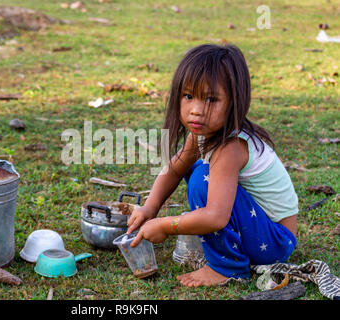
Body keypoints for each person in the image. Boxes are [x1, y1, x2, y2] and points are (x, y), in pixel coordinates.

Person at [127, 43, 298, 288]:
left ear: (234, 102)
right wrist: (149, 209)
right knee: (194, 170)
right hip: (260, 228)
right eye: (188, 96)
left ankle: (227, 267)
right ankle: (226, 247)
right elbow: (174, 168)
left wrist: (166, 225)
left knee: (201, 180)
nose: (196, 110)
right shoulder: (202, 134)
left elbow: (217, 217)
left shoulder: (231, 147)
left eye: (211, 99)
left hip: (275, 242)